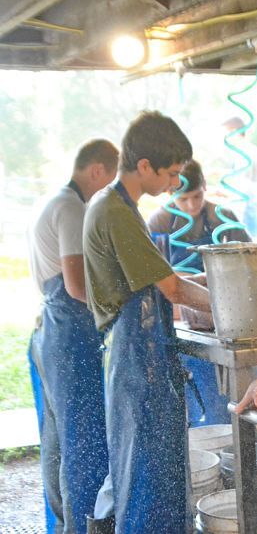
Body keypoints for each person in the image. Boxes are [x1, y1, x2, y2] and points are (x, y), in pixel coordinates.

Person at [83, 111, 211, 533]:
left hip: (141, 356)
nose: (175, 185)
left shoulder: (118, 206)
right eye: (171, 175)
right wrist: (236, 311)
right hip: (135, 358)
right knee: (145, 479)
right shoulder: (115, 212)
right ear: (144, 167)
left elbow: (166, 278)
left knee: (147, 474)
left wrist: (220, 281)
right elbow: (171, 290)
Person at [27, 139, 118, 534]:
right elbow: (77, 285)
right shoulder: (70, 208)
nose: (108, 187)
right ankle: (82, 527)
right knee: (82, 443)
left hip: (51, 333)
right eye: (110, 178)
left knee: (58, 441)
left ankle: (65, 524)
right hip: (69, 337)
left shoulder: (52, 202)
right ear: (97, 170)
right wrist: (117, 307)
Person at [147, 158, 250, 426]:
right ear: (171, 194)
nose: (192, 206)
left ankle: (230, 435)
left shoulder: (222, 218)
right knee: (192, 389)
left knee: (226, 394)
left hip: (221, 317)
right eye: (184, 200)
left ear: (206, 186)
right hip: (179, 313)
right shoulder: (159, 222)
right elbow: (155, 276)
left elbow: (250, 260)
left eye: (197, 196)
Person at [222, 116, 257, 241]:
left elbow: (243, 183)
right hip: (255, 201)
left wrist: (227, 196)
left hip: (253, 203)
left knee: (253, 242)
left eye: (226, 133)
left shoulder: (244, 152)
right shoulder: (249, 149)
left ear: (234, 131)